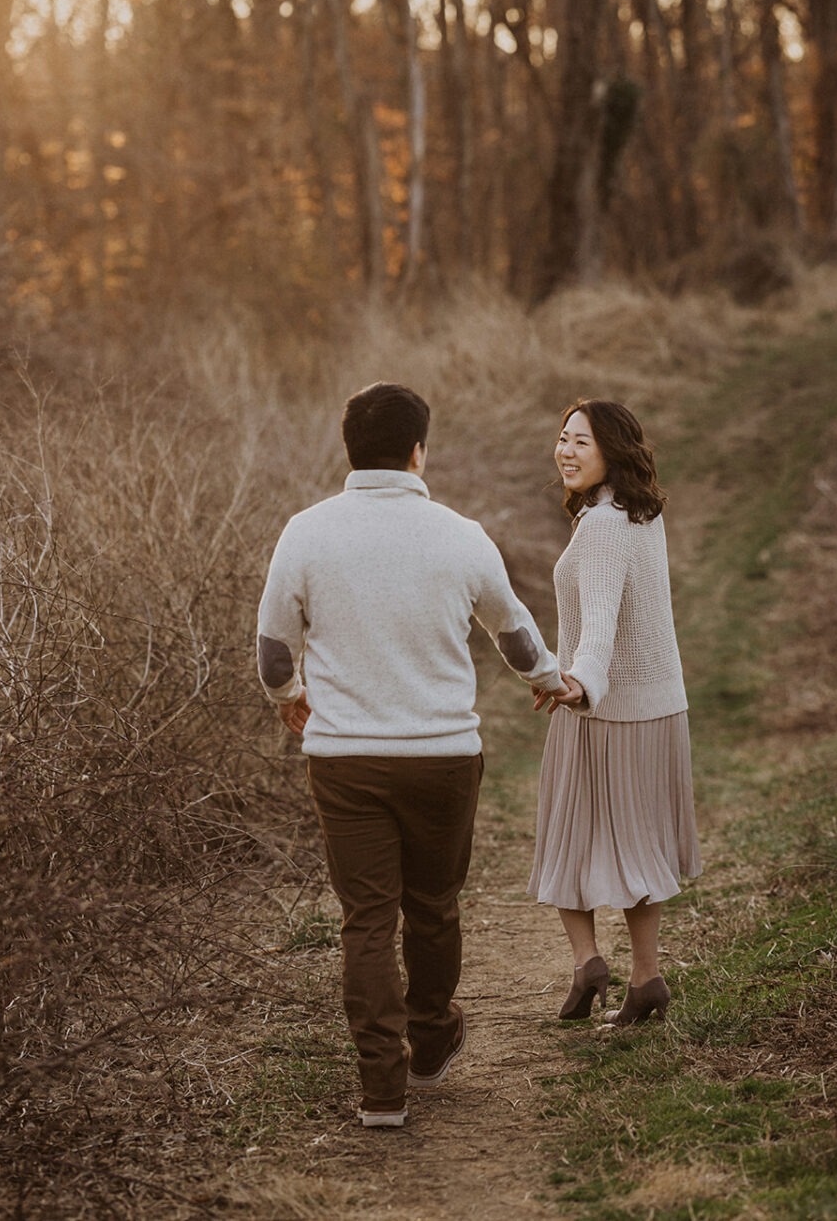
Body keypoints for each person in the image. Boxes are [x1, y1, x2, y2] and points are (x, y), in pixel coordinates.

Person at [257, 382, 578, 1127]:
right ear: (417, 450)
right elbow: (514, 630)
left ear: (349, 448)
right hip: (441, 757)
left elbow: (274, 650)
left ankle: (381, 1089)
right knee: (432, 906)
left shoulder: (305, 532)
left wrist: (289, 698)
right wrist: (546, 679)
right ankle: (431, 1041)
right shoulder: (459, 534)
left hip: (345, 760)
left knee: (367, 919)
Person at [527, 400, 701, 1027]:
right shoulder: (639, 515)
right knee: (641, 847)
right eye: (562, 438)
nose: (566, 451)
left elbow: (599, 622)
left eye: (582, 442)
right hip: (658, 708)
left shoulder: (601, 526)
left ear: (612, 453)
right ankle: (646, 976)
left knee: (568, 839)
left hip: (603, 708)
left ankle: (588, 964)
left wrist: (580, 683)